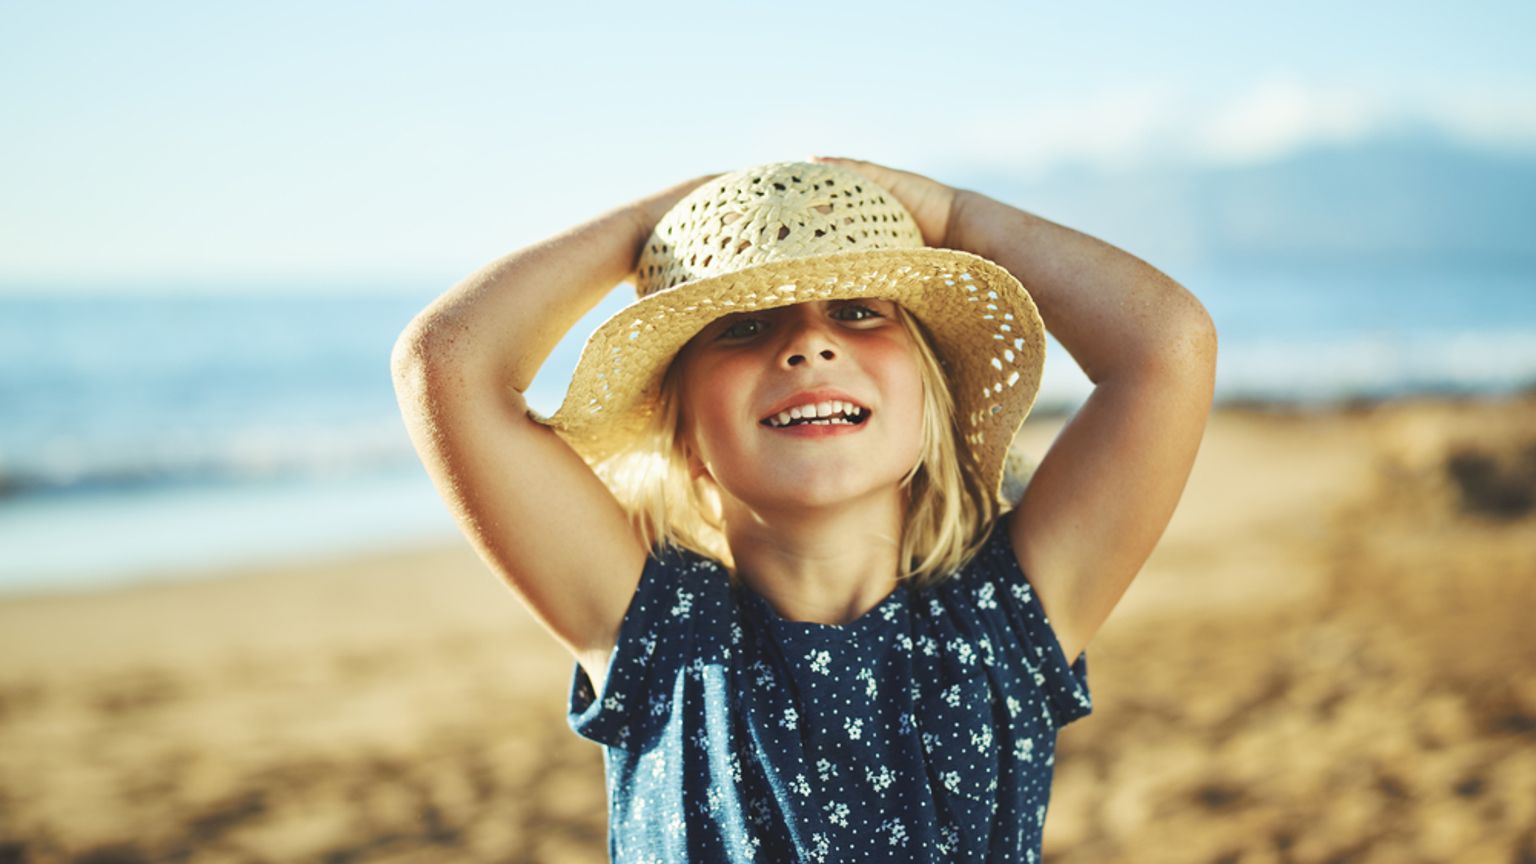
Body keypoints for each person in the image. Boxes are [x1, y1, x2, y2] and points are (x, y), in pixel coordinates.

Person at [391, 157, 1217, 861]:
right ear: (683, 431)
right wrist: (649, 224)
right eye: (745, 324)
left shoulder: (1004, 615)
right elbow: (445, 366)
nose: (809, 344)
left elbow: (1166, 346)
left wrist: (956, 213)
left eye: (859, 311)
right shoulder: (659, 636)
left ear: (930, 402)